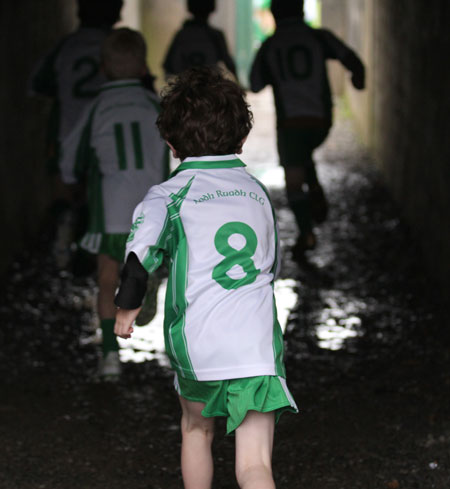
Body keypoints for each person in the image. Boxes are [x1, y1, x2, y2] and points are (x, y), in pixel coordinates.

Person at [114, 66, 298, 489]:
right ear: (243, 137)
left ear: (170, 141)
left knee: (196, 431)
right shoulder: (257, 192)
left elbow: (139, 260)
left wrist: (126, 306)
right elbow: (273, 265)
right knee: (256, 465)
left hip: (200, 346)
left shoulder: (167, 196)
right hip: (255, 348)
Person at [60, 28, 169, 378]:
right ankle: (149, 278)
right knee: (157, 257)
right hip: (154, 208)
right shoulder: (154, 105)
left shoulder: (97, 108)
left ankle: (109, 355)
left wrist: (70, 179)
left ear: (104, 68)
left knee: (106, 278)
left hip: (112, 210)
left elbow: (71, 155)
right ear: (142, 68)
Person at [250, 0, 365, 260]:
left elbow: (255, 83)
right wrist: (359, 79)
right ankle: (314, 189)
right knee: (304, 154)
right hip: (321, 120)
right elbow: (352, 60)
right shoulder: (318, 37)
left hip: (291, 124)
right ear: (302, 10)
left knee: (292, 182)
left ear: (275, 15)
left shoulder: (270, 45)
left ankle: (306, 233)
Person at [30, 0, 124, 271]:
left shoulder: (66, 46)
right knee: (99, 190)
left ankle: (62, 237)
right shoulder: (115, 44)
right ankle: (94, 251)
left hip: (66, 130)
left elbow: (37, 83)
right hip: (105, 134)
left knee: (64, 184)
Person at [163, 0, 237, 78]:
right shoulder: (215, 35)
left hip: (186, 86)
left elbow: (168, 65)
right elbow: (229, 63)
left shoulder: (182, 35)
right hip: (210, 85)